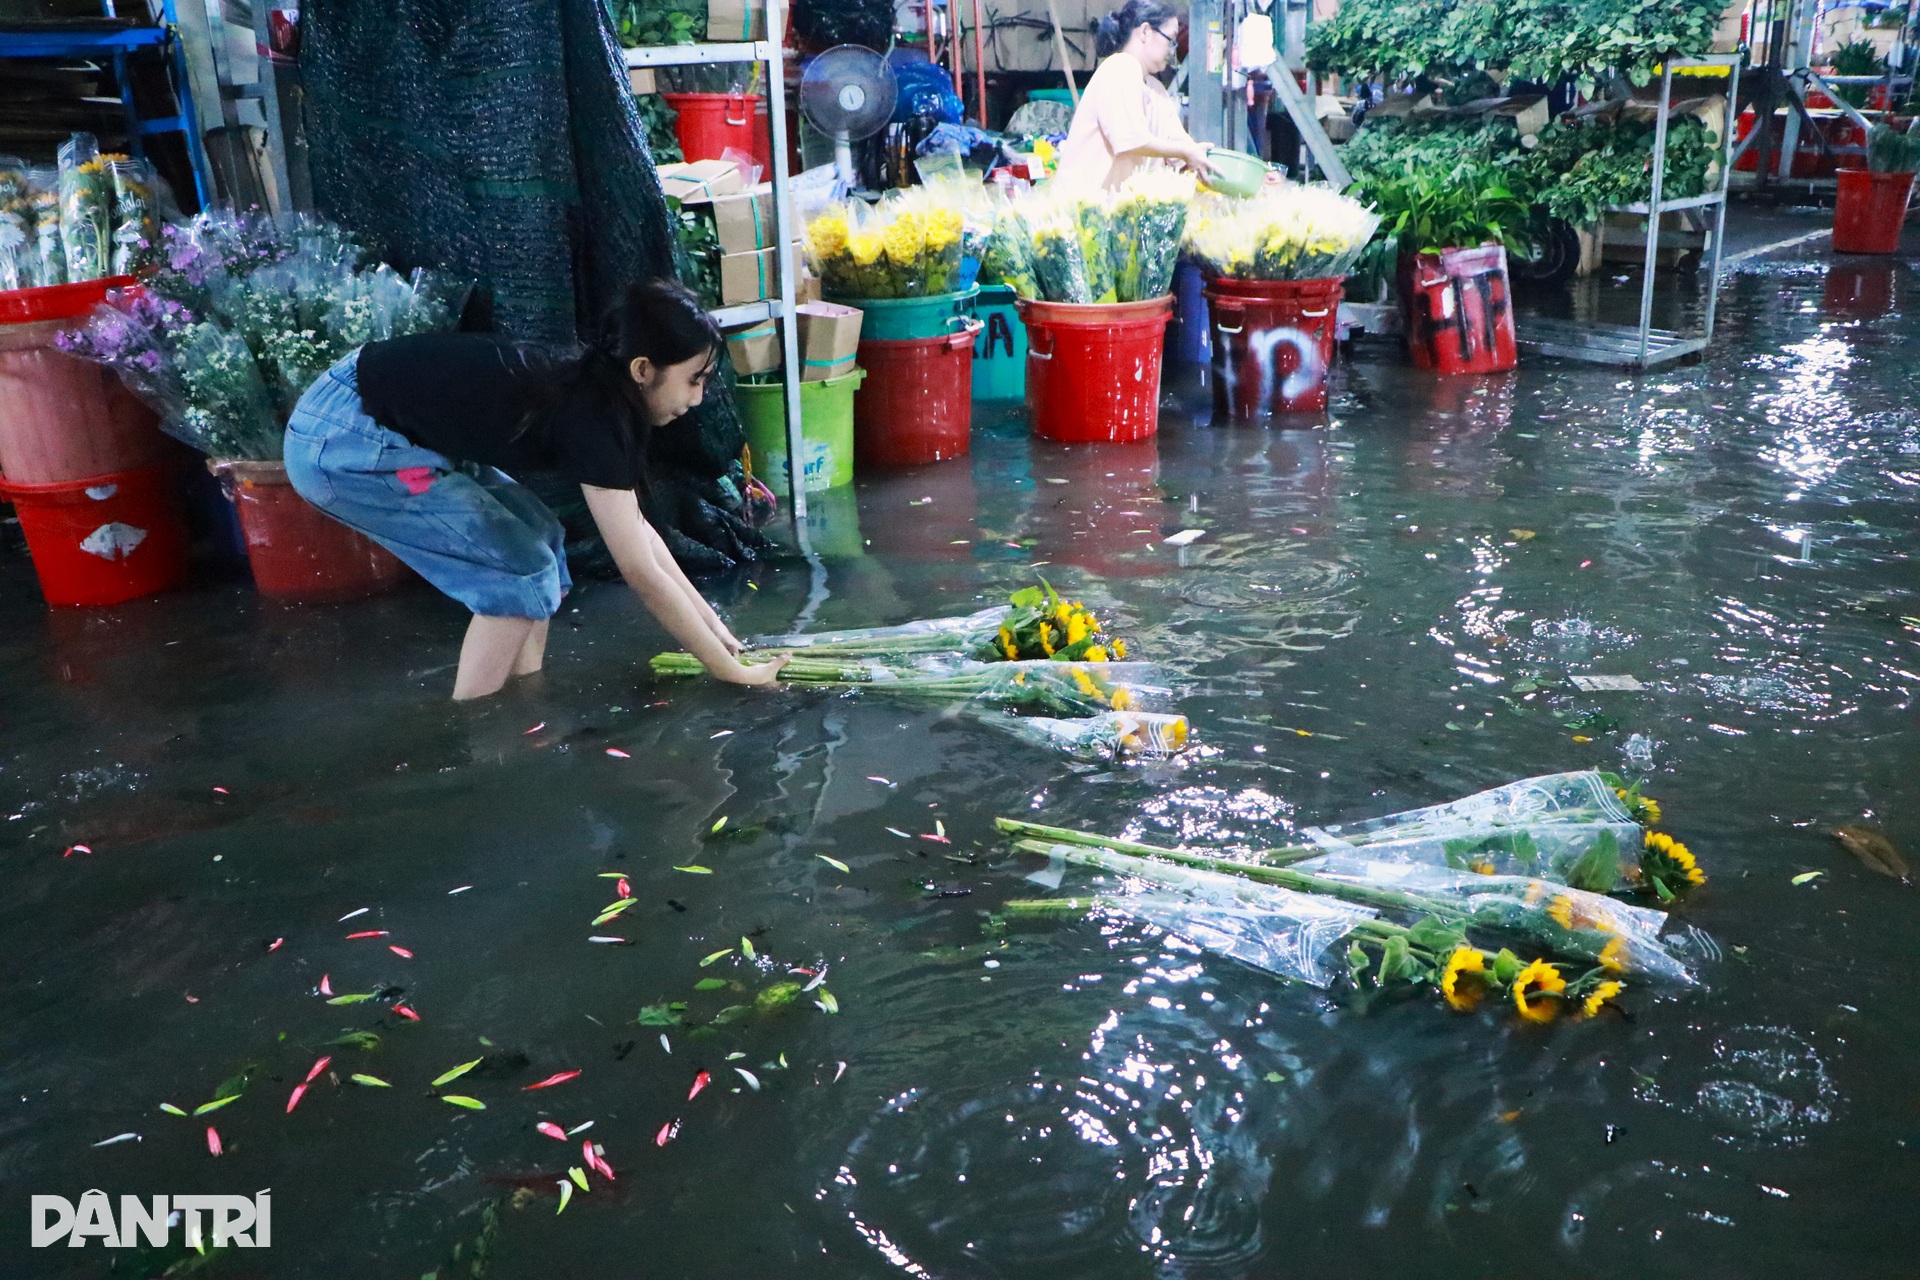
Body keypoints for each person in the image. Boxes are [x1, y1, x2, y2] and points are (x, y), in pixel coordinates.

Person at [282, 278, 787, 701]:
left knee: (541, 540)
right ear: (642, 370)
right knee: (518, 572)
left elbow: (642, 537)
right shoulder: (594, 417)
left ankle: (525, 697)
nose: (698, 399)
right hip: (342, 436)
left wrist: (724, 640)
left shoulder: (607, 400)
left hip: (374, 420)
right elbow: (638, 570)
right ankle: (478, 730)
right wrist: (728, 673)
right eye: (695, 380)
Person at [1054, 0, 1214, 190]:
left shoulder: (1156, 89)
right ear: (1145, 31)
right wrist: (1186, 151)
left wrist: (1197, 156)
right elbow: (1130, 140)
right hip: (1084, 209)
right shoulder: (1120, 67)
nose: (1172, 51)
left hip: (1123, 212)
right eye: (1170, 40)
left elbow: (1179, 147)